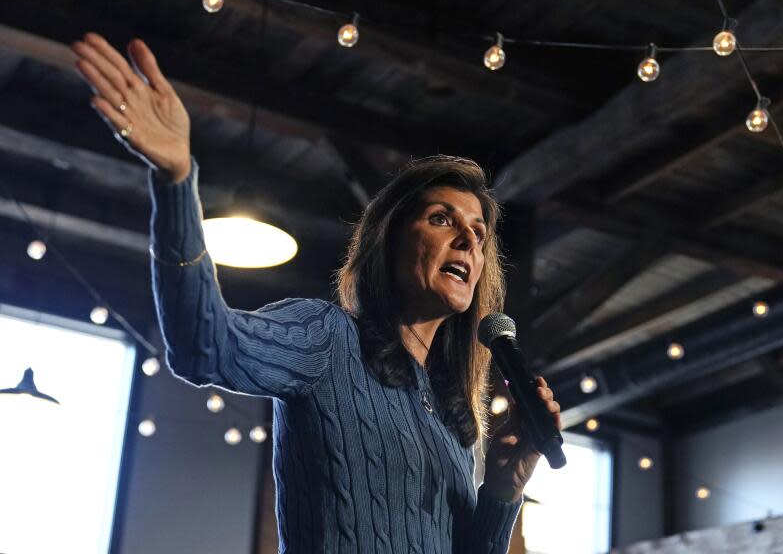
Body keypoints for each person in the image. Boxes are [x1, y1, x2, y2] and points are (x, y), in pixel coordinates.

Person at [72, 32, 563, 553]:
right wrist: (175, 179)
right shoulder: (328, 338)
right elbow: (202, 346)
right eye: (442, 219)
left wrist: (504, 492)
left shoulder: (449, 412)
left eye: (478, 234)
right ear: (388, 241)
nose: (468, 238)